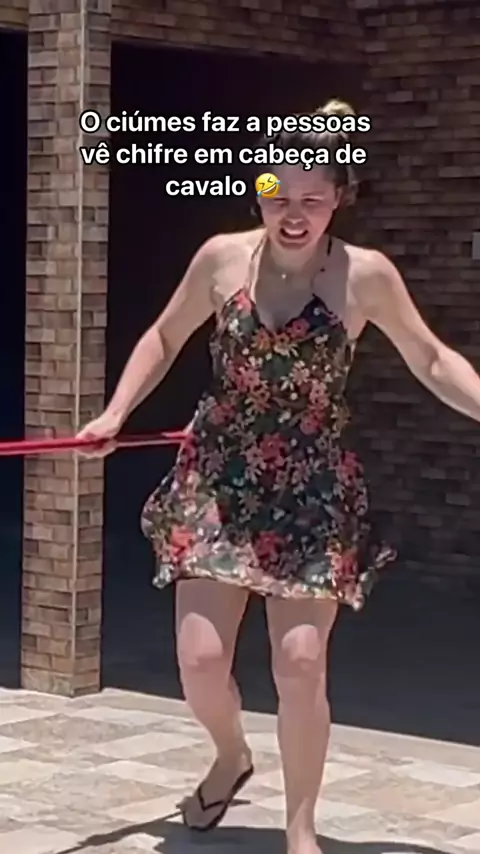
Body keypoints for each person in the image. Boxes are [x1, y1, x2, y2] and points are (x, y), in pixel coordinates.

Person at [77, 99, 480, 854]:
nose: (293, 215)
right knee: (200, 661)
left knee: (299, 663)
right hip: (218, 480)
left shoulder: (365, 276)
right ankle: (231, 756)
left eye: (312, 199)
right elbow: (164, 336)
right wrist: (114, 414)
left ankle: (301, 833)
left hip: (311, 487)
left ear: (339, 198)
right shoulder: (221, 259)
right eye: (278, 196)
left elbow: (430, 358)